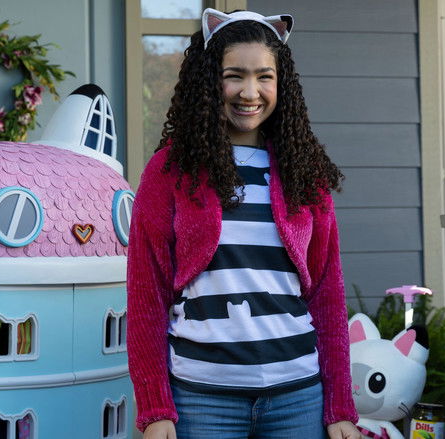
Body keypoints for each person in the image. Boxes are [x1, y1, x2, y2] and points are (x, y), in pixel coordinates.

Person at [126, 8, 361, 439]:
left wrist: (339, 406)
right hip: (201, 401)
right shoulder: (169, 171)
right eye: (233, 75)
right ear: (207, 81)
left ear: (281, 83)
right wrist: (155, 408)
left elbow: (327, 294)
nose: (249, 92)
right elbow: (147, 295)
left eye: (264, 77)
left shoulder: (304, 173)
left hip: (298, 398)